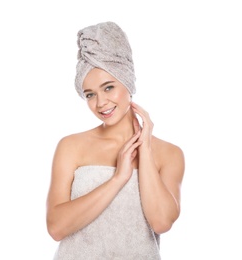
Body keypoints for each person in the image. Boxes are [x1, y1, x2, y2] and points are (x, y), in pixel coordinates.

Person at [46, 21, 185, 260]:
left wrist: (146, 150)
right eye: (90, 94)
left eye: (108, 88)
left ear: (128, 83)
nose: (100, 103)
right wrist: (118, 178)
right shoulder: (71, 147)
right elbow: (56, 227)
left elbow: (161, 222)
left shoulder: (169, 154)